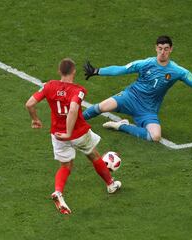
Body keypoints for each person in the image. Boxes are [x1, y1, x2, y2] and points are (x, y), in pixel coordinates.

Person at [83, 35, 192, 142]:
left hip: (148, 110)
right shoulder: (145, 63)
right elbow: (122, 69)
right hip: (130, 97)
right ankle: (75, 123)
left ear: (171, 49)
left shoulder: (178, 71)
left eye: (166, 49)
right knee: (101, 107)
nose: (162, 52)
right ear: (156, 48)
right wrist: (98, 71)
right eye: (160, 48)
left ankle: (121, 125)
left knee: (155, 136)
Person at [25, 58, 121, 215]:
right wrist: (69, 132)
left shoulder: (49, 86)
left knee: (65, 166)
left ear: (59, 71)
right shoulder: (78, 90)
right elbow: (73, 109)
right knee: (94, 156)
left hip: (57, 134)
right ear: (74, 71)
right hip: (78, 133)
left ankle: (58, 192)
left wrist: (35, 119)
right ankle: (111, 184)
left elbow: (29, 104)